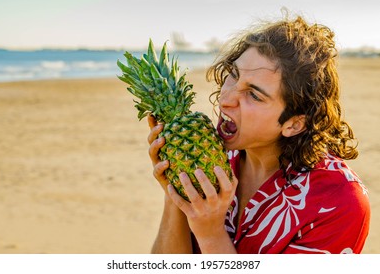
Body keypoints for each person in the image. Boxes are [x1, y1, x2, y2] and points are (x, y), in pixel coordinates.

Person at [147, 13, 370, 254]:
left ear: (294, 124)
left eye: (253, 94)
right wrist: (177, 188)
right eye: (233, 75)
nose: (226, 100)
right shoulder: (216, 161)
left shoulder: (337, 202)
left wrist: (210, 233)